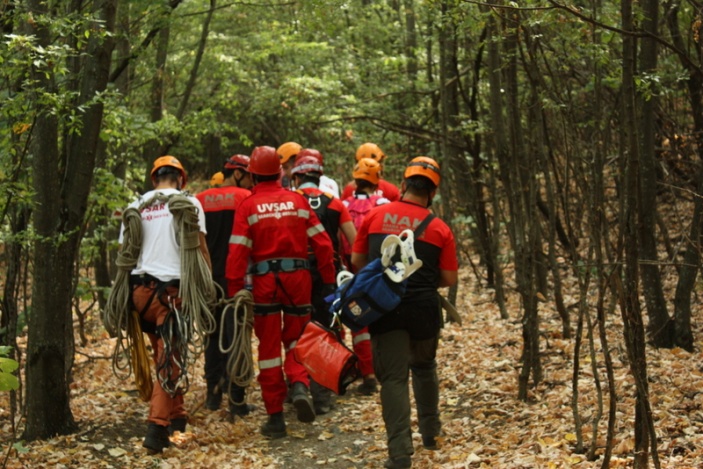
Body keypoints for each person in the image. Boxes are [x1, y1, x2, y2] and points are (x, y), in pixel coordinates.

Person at [351, 156, 458, 469]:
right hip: (424, 310)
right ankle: (431, 433)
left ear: (403, 184)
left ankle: (399, 453)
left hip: (385, 308)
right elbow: (449, 278)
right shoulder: (439, 228)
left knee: (394, 379)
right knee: (424, 367)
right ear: (432, 193)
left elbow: (358, 261)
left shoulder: (374, 217)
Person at [226, 145, 337, 439]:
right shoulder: (298, 202)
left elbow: (237, 253)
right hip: (298, 279)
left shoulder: (247, 207)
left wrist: (235, 290)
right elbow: (324, 244)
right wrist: (328, 280)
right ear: (280, 172)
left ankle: (275, 417)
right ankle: (299, 384)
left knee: (268, 350)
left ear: (252, 175)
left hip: (264, 283)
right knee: (298, 338)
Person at [121, 156, 211, 453]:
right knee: (167, 361)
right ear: (181, 179)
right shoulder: (189, 204)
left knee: (166, 354)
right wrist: (207, 288)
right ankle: (156, 427)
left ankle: (177, 415)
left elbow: (126, 255)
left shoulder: (136, 207)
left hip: (140, 294)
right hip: (172, 294)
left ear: (154, 179)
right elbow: (200, 248)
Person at [290, 151, 356, 413]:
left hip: (297, 273)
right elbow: (354, 239)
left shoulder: (291, 201)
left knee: (296, 329)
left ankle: (297, 384)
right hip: (328, 274)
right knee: (325, 329)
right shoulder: (335, 203)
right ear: (319, 177)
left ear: (296, 177)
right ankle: (323, 394)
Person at [196, 155, 254, 419]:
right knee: (236, 338)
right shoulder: (245, 198)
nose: (254, 181)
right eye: (251, 175)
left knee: (212, 335)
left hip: (208, 280)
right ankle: (237, 400)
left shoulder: (200, 199)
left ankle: (213, 395)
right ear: (239, 174)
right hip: (236, 279)